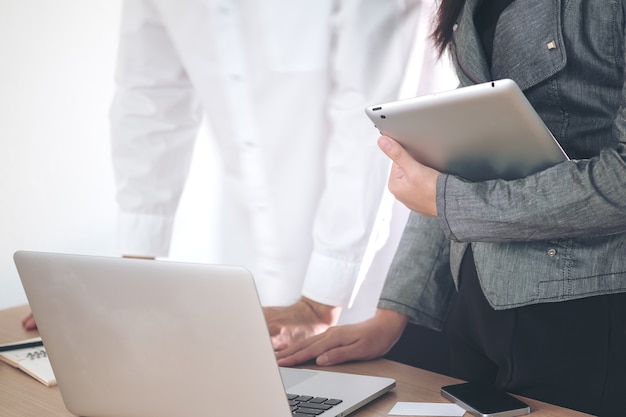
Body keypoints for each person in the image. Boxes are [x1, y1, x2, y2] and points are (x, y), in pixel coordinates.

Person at [23, 0, 459, 347]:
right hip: (259, 263)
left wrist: (320, 302)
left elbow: (369, 119)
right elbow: (150, 99)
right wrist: (133, 275)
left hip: (384, 268)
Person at [275, 1, 626, 415]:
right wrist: (392, 315)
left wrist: (450, 201)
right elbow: (459, 160)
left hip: (582, 312)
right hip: (470, 309)